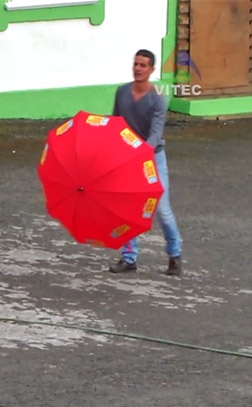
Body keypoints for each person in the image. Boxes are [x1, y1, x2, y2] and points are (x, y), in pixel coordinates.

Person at [109, 48, 183, 276]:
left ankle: (175, 255)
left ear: (151, 70)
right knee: (127, 209)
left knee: (161, 209)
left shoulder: (158, 97)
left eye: (143, 65)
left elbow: (155, 133)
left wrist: (140, 153)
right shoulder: (121, 92)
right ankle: (129, 258)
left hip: (153, 158)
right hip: (128, 158)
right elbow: (116, 124)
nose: (138, 69)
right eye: (136, 64)